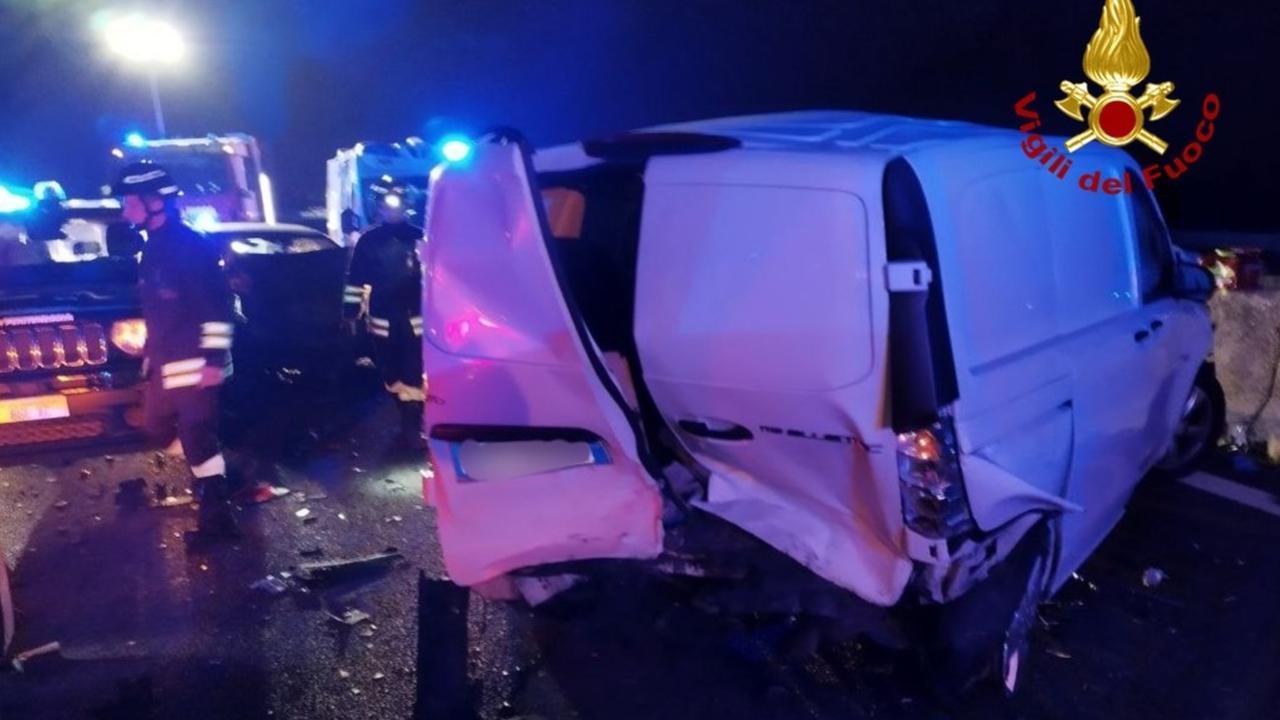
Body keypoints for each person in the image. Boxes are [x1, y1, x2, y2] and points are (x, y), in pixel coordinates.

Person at [113, 161, 238, 540]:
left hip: (197, 364)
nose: (124, 210)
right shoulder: (153, 250)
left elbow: (217, 310)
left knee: (198, 436)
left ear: (154, 202)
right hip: (166, 365)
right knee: (156, 427)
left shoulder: (190, 247)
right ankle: (216, 477)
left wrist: (214, 362)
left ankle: (217, 518)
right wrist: (150, 354)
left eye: (128, 201)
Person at [343, 182, 426, 450]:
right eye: (385, 206)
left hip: (416, 317)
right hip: (382, 318)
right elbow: (355, 280)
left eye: (398, 205)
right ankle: (405, 411)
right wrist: (350, 311)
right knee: (390, 370)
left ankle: (413, 422)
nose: (392, 210)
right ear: (378, 209)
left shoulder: (420, 237)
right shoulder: (369, 241)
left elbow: (438, 277)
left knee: (415, 368)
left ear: (406, 207)